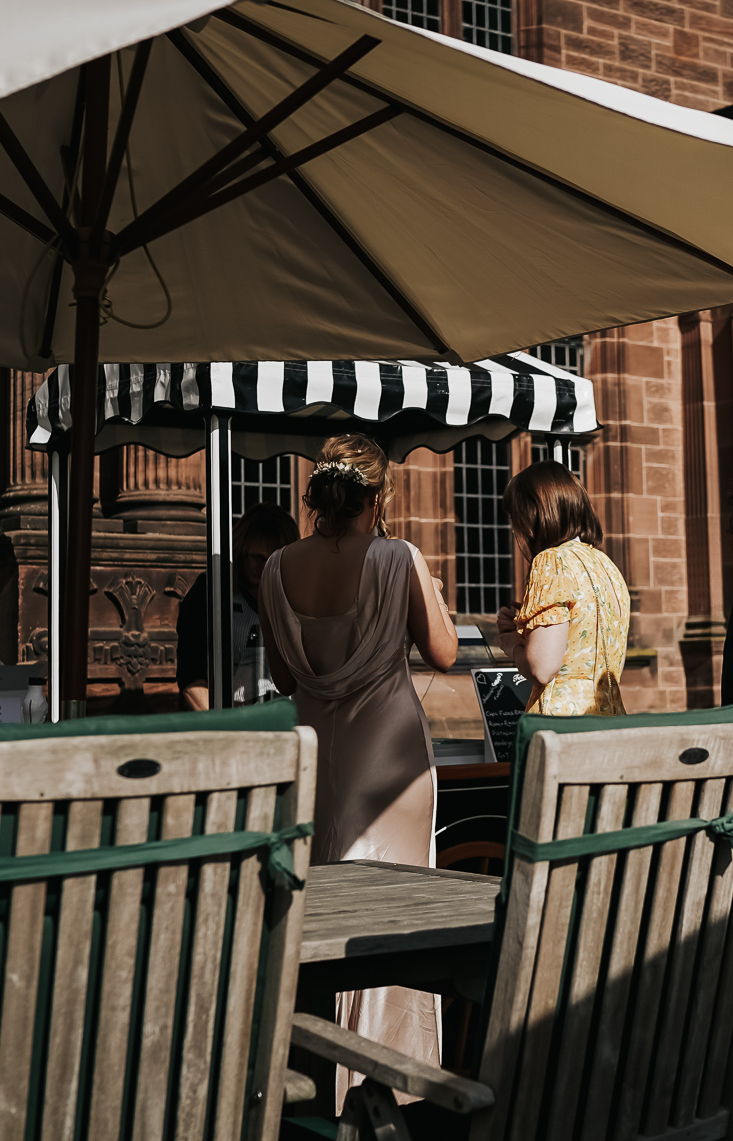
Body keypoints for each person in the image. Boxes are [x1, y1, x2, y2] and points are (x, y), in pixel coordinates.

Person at [257, 434, 457, 1104]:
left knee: (321, 899)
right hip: (389, 747)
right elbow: (444, 651)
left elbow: (285, 672)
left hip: (317, 742)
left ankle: (320, 1065)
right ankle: (387, 1076)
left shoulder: (278, 566)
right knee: (394, 907)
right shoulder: (397, 556)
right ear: (377, 496)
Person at [494, 460, 630, 715]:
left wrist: (512, 643)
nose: (514, 529)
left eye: (515, 518)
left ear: (533, 514)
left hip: (561, 727)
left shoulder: (551, 561)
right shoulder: (606, 564)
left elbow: (542, 667)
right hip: (610, 721)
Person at [176, 502, 301, 710]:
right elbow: (192, 678)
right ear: (241, 551)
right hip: (229, 716)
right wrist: (222, 728)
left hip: (284, 716)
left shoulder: (295, 596)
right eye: (257, 558)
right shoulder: (211, 592)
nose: (265, 567)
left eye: (273, 560)